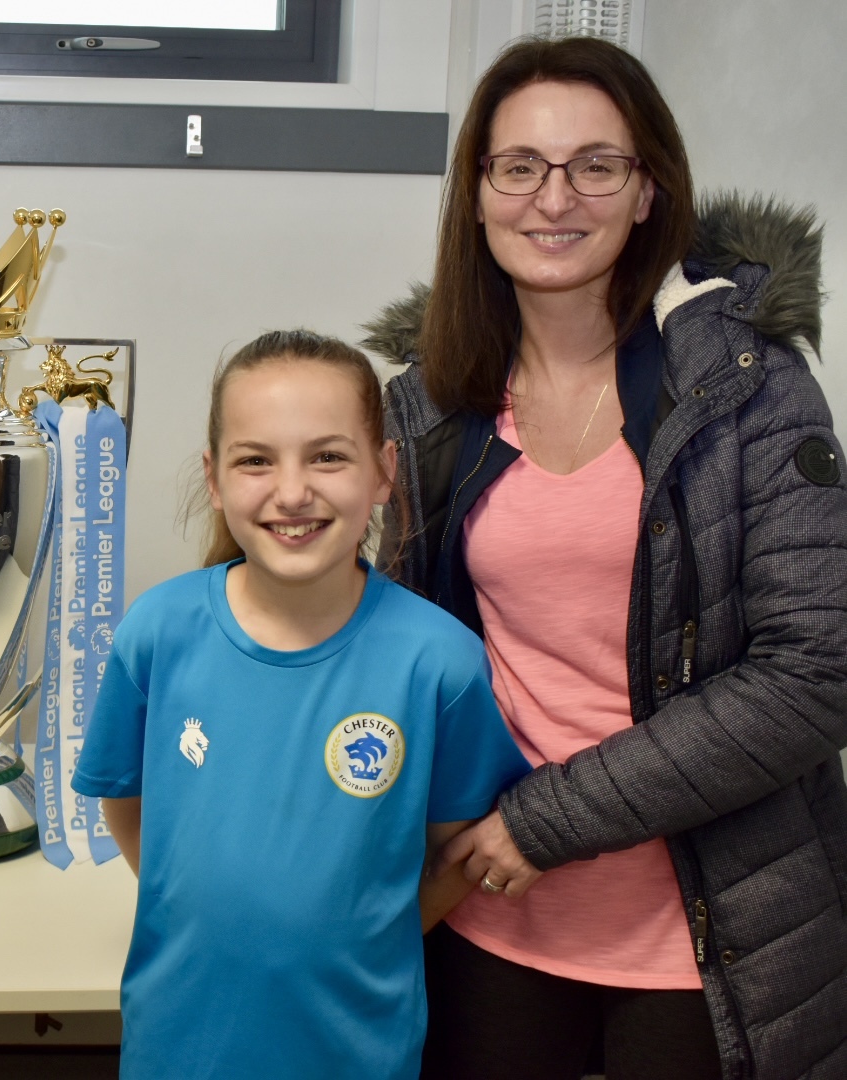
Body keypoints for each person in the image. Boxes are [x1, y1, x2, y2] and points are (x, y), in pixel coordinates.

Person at [362, 35, 847, 1080]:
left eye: (596, 165)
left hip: (706, 945)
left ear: (646, 194)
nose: (554, 198)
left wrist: (545, 822)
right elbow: (392, 656)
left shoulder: (753, 387)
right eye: (520, 166)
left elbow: (814, 674)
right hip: (490, 919)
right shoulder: (432, 401)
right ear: (478, 196)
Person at [71, 330, 530, 1079]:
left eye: (328, 456)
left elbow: (455, 855)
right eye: (256, 459)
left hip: (359, 1053)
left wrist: (354, 937)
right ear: (215, 479)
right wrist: (208, 914)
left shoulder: (438, 661)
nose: (292, 491)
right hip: (177, 1047)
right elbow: (127, 806)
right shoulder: (157, 632)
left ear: (384, 473)